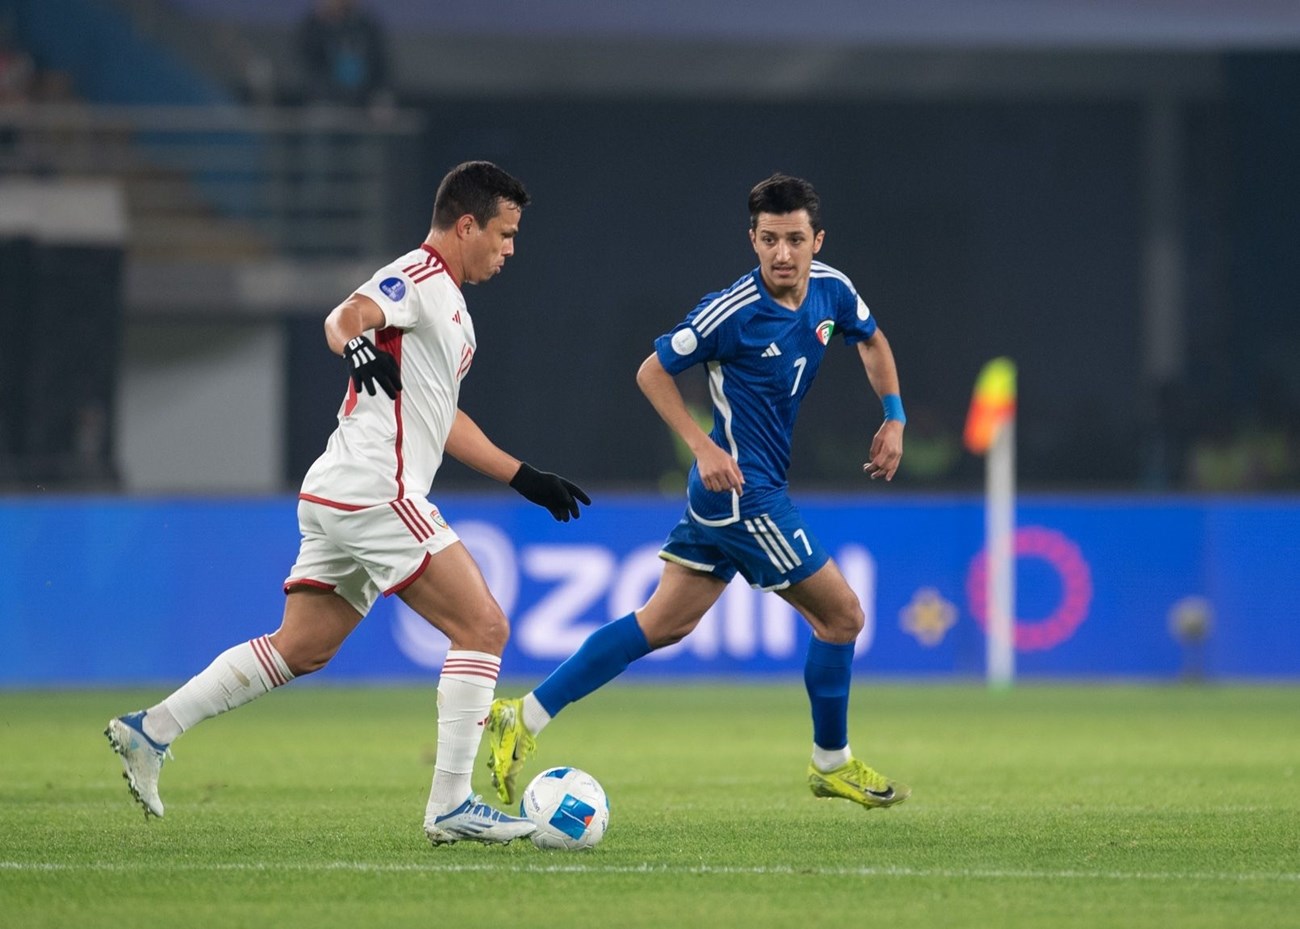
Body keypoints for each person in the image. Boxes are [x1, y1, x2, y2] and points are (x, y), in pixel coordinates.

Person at [105, 161, 590, 846]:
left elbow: (440, 416)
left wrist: (523, 475)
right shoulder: (418, 279)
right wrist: (357, 344)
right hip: (375, 487)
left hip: (341, 488)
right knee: (483, 627)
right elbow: (346, 315)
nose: (510, 249)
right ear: (466, 224)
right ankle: (451, 803)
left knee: (302, 646)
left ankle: (150, 729)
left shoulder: (453, 308)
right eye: (504, 234)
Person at [487, 173, 911, 812]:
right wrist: (703, 445)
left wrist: (895, 414)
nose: (783, 254)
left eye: (796, 239)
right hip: (745, 493)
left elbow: (873, 338)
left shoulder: (833, 291)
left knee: (663, 623)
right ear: (753, 239)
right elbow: (652, 370)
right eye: (769, 239)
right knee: (843, 615)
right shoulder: (731, 312)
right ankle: (832, 763)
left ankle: (523, 717)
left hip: (734, 493)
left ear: (816, 240)